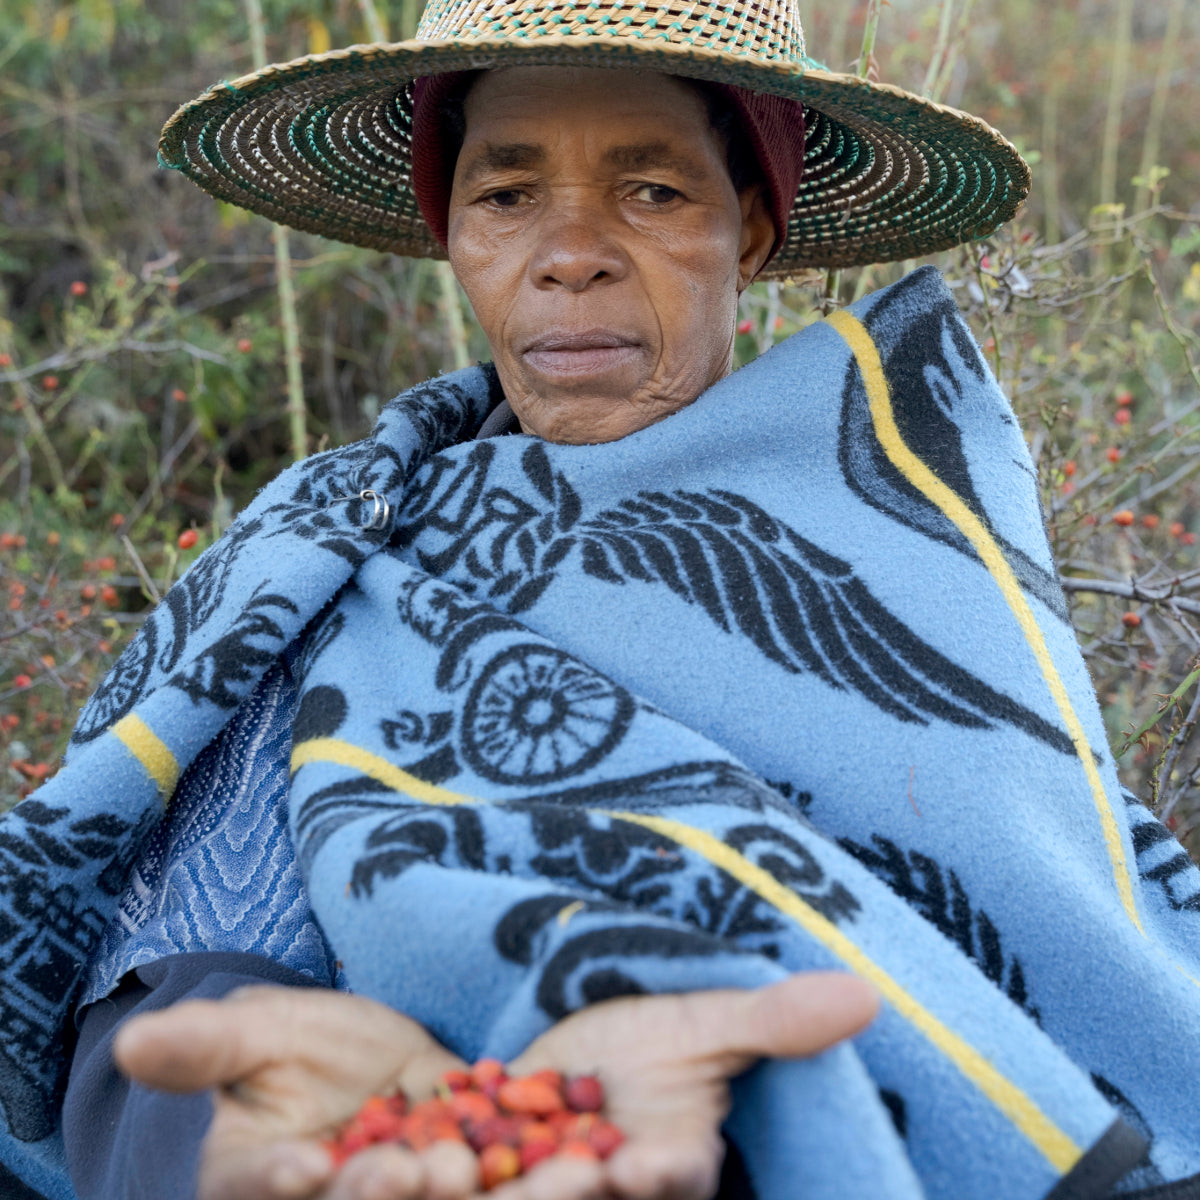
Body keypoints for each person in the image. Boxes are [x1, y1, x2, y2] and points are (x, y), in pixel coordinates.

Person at [2, 1, 1200, 1199]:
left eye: (653, 192)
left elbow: (1047, 922)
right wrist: (261, 1135)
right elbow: (168, 994)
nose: (569, 250)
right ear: (452, 231)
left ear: (756, 230)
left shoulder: (916, 525)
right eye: (508, 195)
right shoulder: (324, 557)